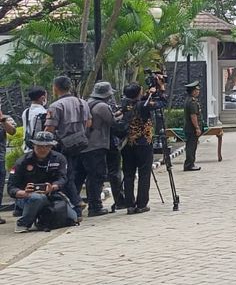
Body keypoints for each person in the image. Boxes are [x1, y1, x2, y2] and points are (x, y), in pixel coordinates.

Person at [8, 131, 77, 231]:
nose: (43, 149)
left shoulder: (59, 158)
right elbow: (11, 187)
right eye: (39, 146)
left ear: (51, 146)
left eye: (47, 146)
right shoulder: (22, 162)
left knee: (72, 218)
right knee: (37, 198)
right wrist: (24, 193)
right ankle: (23, 223)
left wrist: (53, 187)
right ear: (33, 145)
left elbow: (63, 178)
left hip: (52, 194)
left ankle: (42, 218)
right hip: (27, 198)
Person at [43, 75, 91, 214]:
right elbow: (89, 123)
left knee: (65, 175)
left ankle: (76, 202)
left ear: (55, 88)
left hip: (63, 144)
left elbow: (50, 128)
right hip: (81, 142)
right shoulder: (83, 102)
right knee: (74, 173)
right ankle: (75, 206)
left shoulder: (55, 106)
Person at [117, 83, 157, 214]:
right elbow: (161, 103)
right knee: (144, 173)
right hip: (143, 143)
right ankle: (141, 204)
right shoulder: (143, 106)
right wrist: (159, 90)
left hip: (128, 144)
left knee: (128, 174)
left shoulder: (123, 106)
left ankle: (130, 205)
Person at [80, 81, 118, 216]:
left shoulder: (87, 103)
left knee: (90, 176)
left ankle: (91, 204)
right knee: (98, 176)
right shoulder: (102, 106)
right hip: (97, 145)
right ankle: (95, 206)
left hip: (86, 145)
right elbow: (113, 122)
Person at [182, 81, 202, 171]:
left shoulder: (188, 100)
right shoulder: (192, 102)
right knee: (191, 146)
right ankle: (189, 164)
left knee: (191, 145)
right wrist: (197, 128)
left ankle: (190, 163)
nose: (198, 91)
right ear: (193, 91)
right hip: (191, 128)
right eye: (197, 90)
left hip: (189, 128)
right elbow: (193, 115)